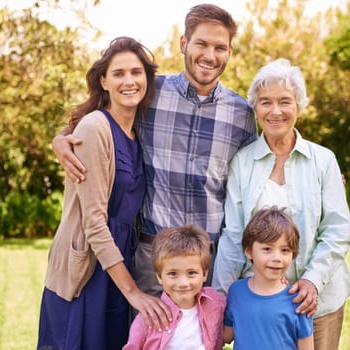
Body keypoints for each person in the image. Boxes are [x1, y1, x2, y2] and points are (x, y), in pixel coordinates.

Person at [52, 4, 257, 297]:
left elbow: (258, 174)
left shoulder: (242, 114)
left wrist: (322, 177)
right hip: (152, 259)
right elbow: (99, 118)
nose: (210, 55)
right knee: (146, 341)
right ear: (184, 43)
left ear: (229, 52)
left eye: (220, 47)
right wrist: (61, 139)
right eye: (201, 44)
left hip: (207, 264)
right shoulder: (151, 93)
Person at [37, 37, 171, 350]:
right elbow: (95, 222)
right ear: (103, 81)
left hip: (118, 267)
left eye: (136, 73)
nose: (129, 81)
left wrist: (128, 286)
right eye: (119, 73)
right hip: (85, 272)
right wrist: (134, 293)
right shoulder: (95, 128)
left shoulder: (138, 130)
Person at [212, 58, 350, 350]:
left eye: (285, 102)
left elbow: (337, 231)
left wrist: (312, 281)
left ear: (298, 106)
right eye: (265, 102)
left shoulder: (323, 160)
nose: (275, 111)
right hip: (260, 305)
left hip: (319, 301)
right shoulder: (242, 162)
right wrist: (219, 297)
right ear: (255, 108)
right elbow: (233, 233)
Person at [224, 206, 314, 350]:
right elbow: (225, 336)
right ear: (248, 251)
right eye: (267, 249)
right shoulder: (236, 292)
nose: (277, 258)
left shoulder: (298, 301)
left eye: (285, 250)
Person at [123, 225, 226, 350]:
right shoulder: (148, 318)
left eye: (191, 273)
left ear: (205, 274)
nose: (183, 282)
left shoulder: (215, 303)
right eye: (173, 274)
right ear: (159, 277)